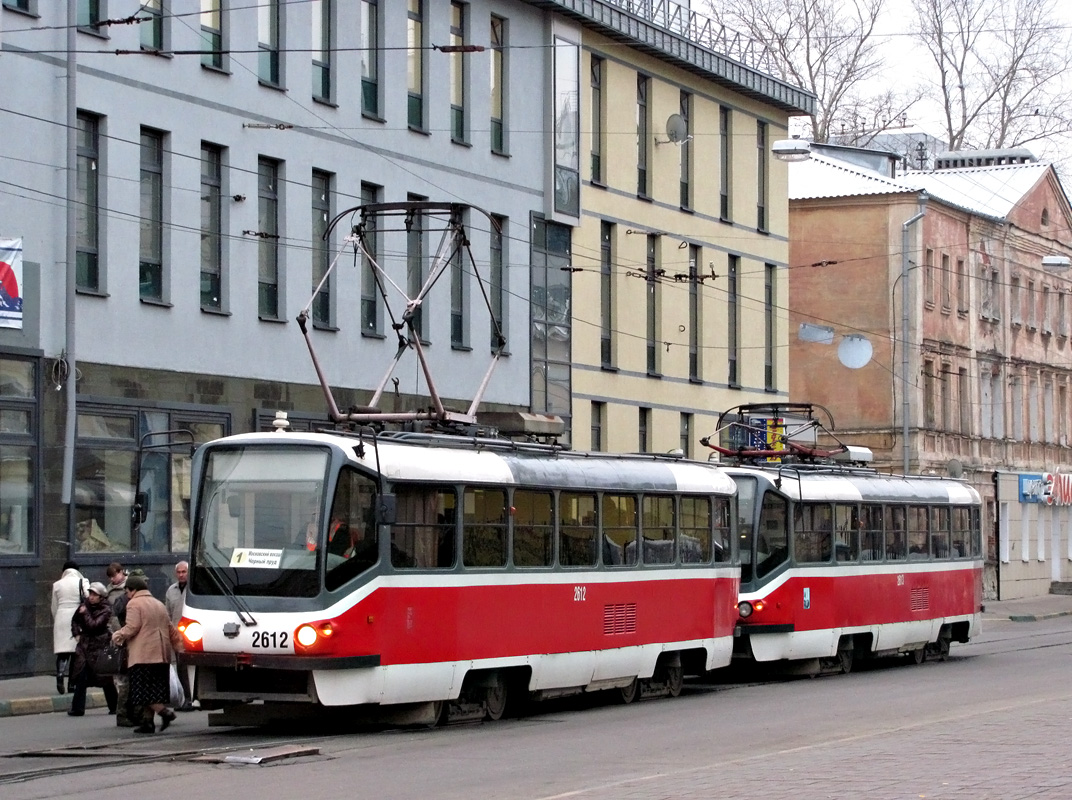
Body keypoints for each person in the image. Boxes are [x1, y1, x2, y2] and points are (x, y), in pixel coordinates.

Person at [112, 574, 183, 734]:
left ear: (133, 590)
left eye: (128, 591)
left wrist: (117, 635)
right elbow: (170, 627)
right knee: (154, 690)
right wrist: (178, 646)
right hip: (162, 654)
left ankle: (166, 713)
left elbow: (132, 627)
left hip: (143, 654)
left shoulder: (134, 604)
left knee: (141, 691)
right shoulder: (158, 603)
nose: (127, 595)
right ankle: (147, 723)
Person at [67, 582, 119, 717]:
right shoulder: (84, 606)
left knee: (105, 678)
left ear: (101, 596)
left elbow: (94, 626)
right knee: (80, 676)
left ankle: (114, 705)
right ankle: (77, 708)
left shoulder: (106, 609)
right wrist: (77, 633)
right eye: (90, 594)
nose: (91, 597)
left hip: (99, 646)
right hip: (84, 646)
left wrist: (85, 614)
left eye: (95, 594)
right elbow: (74, 620)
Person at [51, 560, 88, 695]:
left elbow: (54, 606)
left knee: (62, 651)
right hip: (77, 618)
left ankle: (60, 674)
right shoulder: (82, 582)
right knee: (75, 652)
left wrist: (57, 618)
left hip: (61, 617)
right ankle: (72, 684)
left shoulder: (57, 585)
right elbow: (89, 599)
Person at [165, 560, 194, 711]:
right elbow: (167, 613)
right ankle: (184, 699)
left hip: (194, 634)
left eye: (184, 572)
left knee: (191, 667)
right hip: (177, 635)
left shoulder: (194, 589)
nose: (181, 575)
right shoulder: (171, 591)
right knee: (180, 668)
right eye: (179, 572)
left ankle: (192, 698)